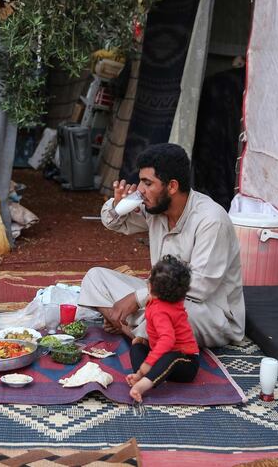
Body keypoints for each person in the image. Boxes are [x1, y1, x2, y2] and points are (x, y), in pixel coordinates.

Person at [79, 143, 244, 347]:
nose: (140, 190)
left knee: (168, 314)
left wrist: (138, 298)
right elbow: (113, 222)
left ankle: (128, 326)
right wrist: (118, 205)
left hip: (207, 312)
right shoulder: (156, 210)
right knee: (96, 278)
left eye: (147, 183)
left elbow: (199, 287)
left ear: (172, 186)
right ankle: (138, 332)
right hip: (159, 297)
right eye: (140, 182)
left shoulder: (211, 220)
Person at [127, 255, 200, 402]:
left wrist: (148, 363)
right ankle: (145, 375)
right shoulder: (169, 300)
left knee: (170, 357)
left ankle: (142, 385)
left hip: (185, 363)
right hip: (162, 356)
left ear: (150, 286)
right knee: (137, 346)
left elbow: (167, 339)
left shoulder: (160, 310)